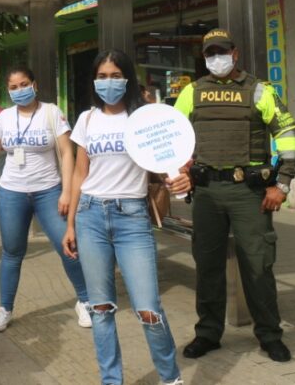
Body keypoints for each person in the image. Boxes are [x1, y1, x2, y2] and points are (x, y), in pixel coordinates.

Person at [168, 28, 295, 363]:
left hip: (249, 192)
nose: (217, 59)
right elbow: (171, 138)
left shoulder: (259, 91)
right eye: (210, 53)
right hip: (208, 192)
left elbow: (287, 133)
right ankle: (208, 334)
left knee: (258, 265)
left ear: (236, 53)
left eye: (222, 52)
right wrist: (177, 172)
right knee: (208, 266)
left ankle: (270, 335)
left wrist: (282, 185)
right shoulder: (191, 93)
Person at [62, 49, 182, 385]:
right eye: (102, 76)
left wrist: (177, 178)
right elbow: (79, 174)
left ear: (128, 78)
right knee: (100, 309)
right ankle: (111, 380)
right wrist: (70, 223)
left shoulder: (143, 118)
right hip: (90, 216)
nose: (108, 82)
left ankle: (170, 378)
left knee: (148, 309)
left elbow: (163, 165)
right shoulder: (86, 119)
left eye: (115, 75)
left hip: (132, 219)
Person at [0, 66, 90, 333]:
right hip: (12, 193)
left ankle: (85, 301)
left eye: (24, 84)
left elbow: (67, 153)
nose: (20, 90)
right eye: (14, 87)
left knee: (68, 247)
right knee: (11, 253)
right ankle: (4, 310)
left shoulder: (51, 112)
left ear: (35, 84)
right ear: (8, 91)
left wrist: (66, 191)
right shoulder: (5, 118)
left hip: (48, 192)